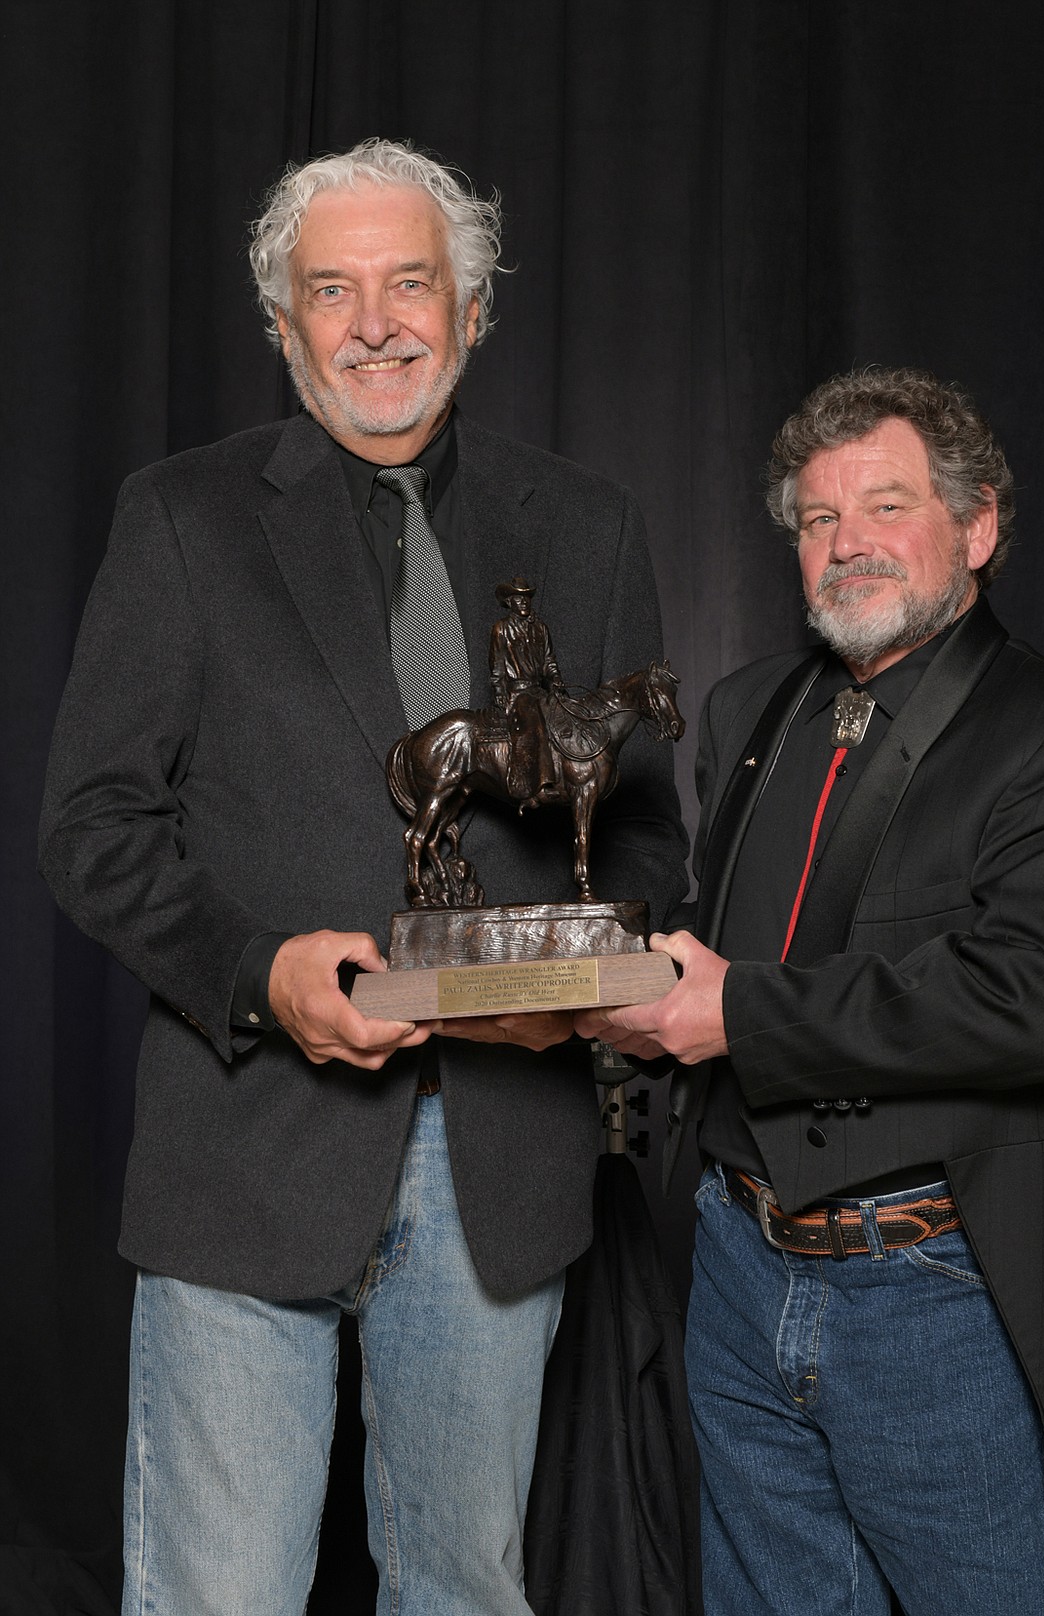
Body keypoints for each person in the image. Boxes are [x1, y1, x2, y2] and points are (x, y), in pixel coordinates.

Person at [39, 137, 687, 1615]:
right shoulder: (182, 517)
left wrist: (583, 985)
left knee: (463, 1589)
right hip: (247, 1151)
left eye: (410, 283)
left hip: (501, 1169)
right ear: (283, 328)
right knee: (222, 1595)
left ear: (471, 308)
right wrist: (258, 976)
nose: (375, 322)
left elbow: (644, 833)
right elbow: (92, 825)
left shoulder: (586, 526)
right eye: (332, 292)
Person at [576, 368, 1044, 1616]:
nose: (848, 543)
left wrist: (732, 1012)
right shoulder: (749, 708)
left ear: (979, 527)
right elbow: (707, 945)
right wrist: (588, 981)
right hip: (734, 1262)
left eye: (884, 504)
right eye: (819, 520)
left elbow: (1039, 998)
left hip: (928, 1286)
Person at [489, 575, 566, 806]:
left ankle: (571, 777)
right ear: (509, 602)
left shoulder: (541, 628)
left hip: (538, 690)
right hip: (517, 693)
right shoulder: (501, 629)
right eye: (518, 598)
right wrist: (500, 690)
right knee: (535, 724)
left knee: (567, 716)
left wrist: (555, 681)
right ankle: (540, 784)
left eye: (526, 598)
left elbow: (549, 662)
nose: (523, 602)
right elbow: (497, 664)